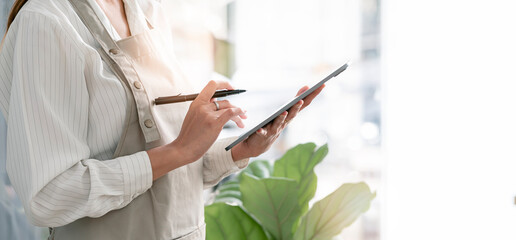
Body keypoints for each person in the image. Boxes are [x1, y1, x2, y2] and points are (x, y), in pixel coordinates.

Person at [0, 0, 324, 239]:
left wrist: (238, 150)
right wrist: (180, 150)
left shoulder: (148, 11)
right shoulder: (45, 22)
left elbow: (169, 172)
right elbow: (48, 197)